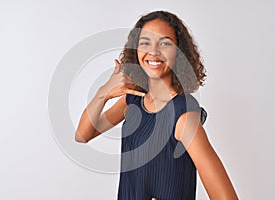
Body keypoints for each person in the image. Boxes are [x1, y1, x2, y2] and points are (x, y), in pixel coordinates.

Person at [75, 10, 238, 200]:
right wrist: (103, 92)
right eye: (145, 42)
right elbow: (82, 135)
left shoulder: (183, 116)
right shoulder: (133, 100)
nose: (153, 51)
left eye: (165, 43)